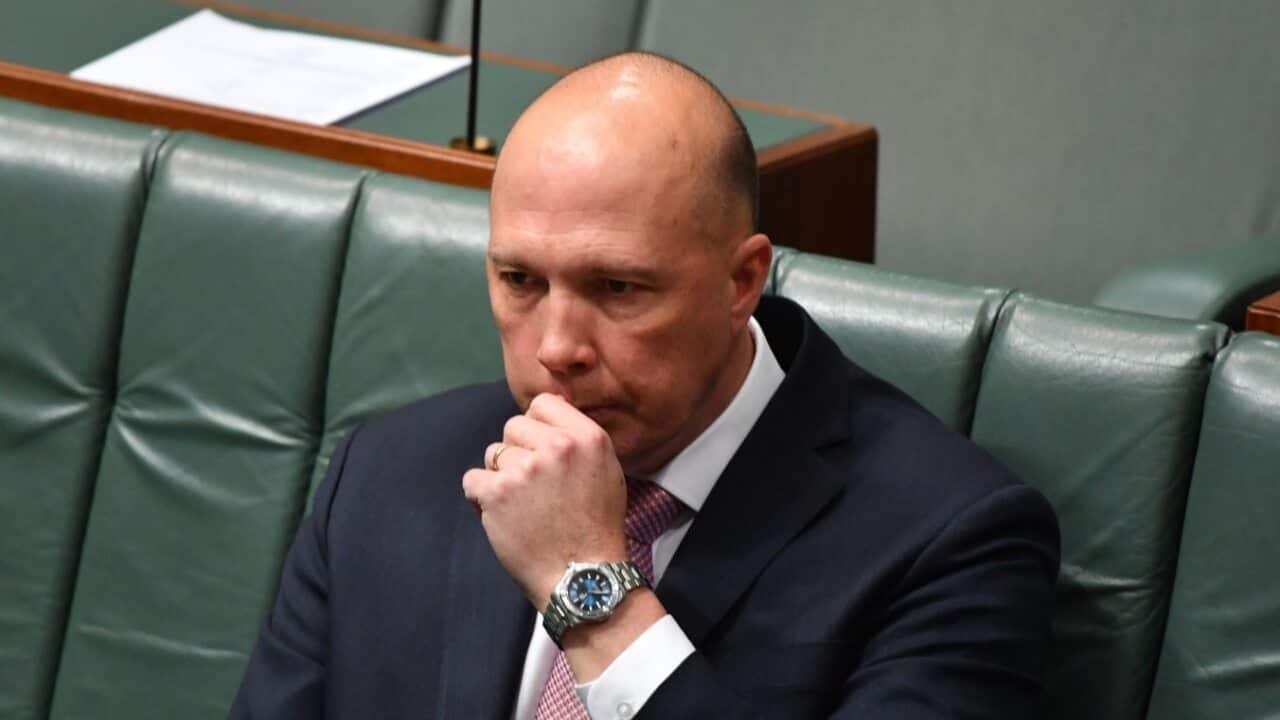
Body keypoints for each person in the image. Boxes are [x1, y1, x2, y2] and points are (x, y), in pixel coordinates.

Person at [232, 52, 1059, 719]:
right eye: (520, 280)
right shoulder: (386, 476)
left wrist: (594, 597)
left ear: (741, 282)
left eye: (619, 289)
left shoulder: (951, 543)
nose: (557, 348)